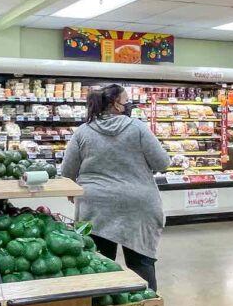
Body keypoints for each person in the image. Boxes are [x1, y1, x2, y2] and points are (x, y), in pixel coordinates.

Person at [60, 84, 169, 291]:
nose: (129, 105)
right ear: (116, 105)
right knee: (141, 264)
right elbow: (162, 162)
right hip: (137, 204)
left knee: (97, 263)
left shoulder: (83, 132)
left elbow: (67, 171)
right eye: (126, 101)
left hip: (95, 205)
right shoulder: (137, 127)